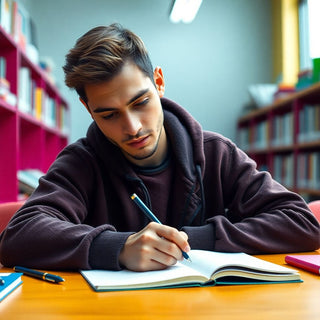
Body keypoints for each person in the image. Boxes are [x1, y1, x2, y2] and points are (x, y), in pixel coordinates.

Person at [0, 24, 319, 271]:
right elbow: (17, 237)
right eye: (108, 114)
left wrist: (194, 240)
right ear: (87, 108)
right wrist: (118, 248)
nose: (133, 127)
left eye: (140, 102)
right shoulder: (80, 163)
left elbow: (301, 223)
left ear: (159, 82)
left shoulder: (216, 153)